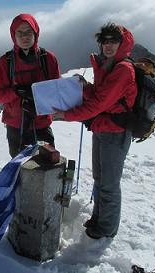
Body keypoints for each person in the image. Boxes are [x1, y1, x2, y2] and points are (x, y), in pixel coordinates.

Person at [54, 22, 137, 239]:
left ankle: (106, 230)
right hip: (103, 128)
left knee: (109, 184)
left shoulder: (122, 69)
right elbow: (102, 97)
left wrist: (65, 115)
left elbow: (98, 105)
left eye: (113, 41)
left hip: (116, 132)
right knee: (100, 180)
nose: (108, 45)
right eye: (104, 41)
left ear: (122, 43)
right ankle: (99, 220)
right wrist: (86, 86)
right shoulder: (108, 65)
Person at [0, 13, 61, 158]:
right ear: (14, 35)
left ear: (35, 33)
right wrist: (16, 92)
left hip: (41, 123)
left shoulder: (48, 59)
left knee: (47, 168)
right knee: (20, 170)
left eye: (29, 32)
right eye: (20, 33)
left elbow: (57, 92)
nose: (25, 37)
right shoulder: (6, 62)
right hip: (16, 126)